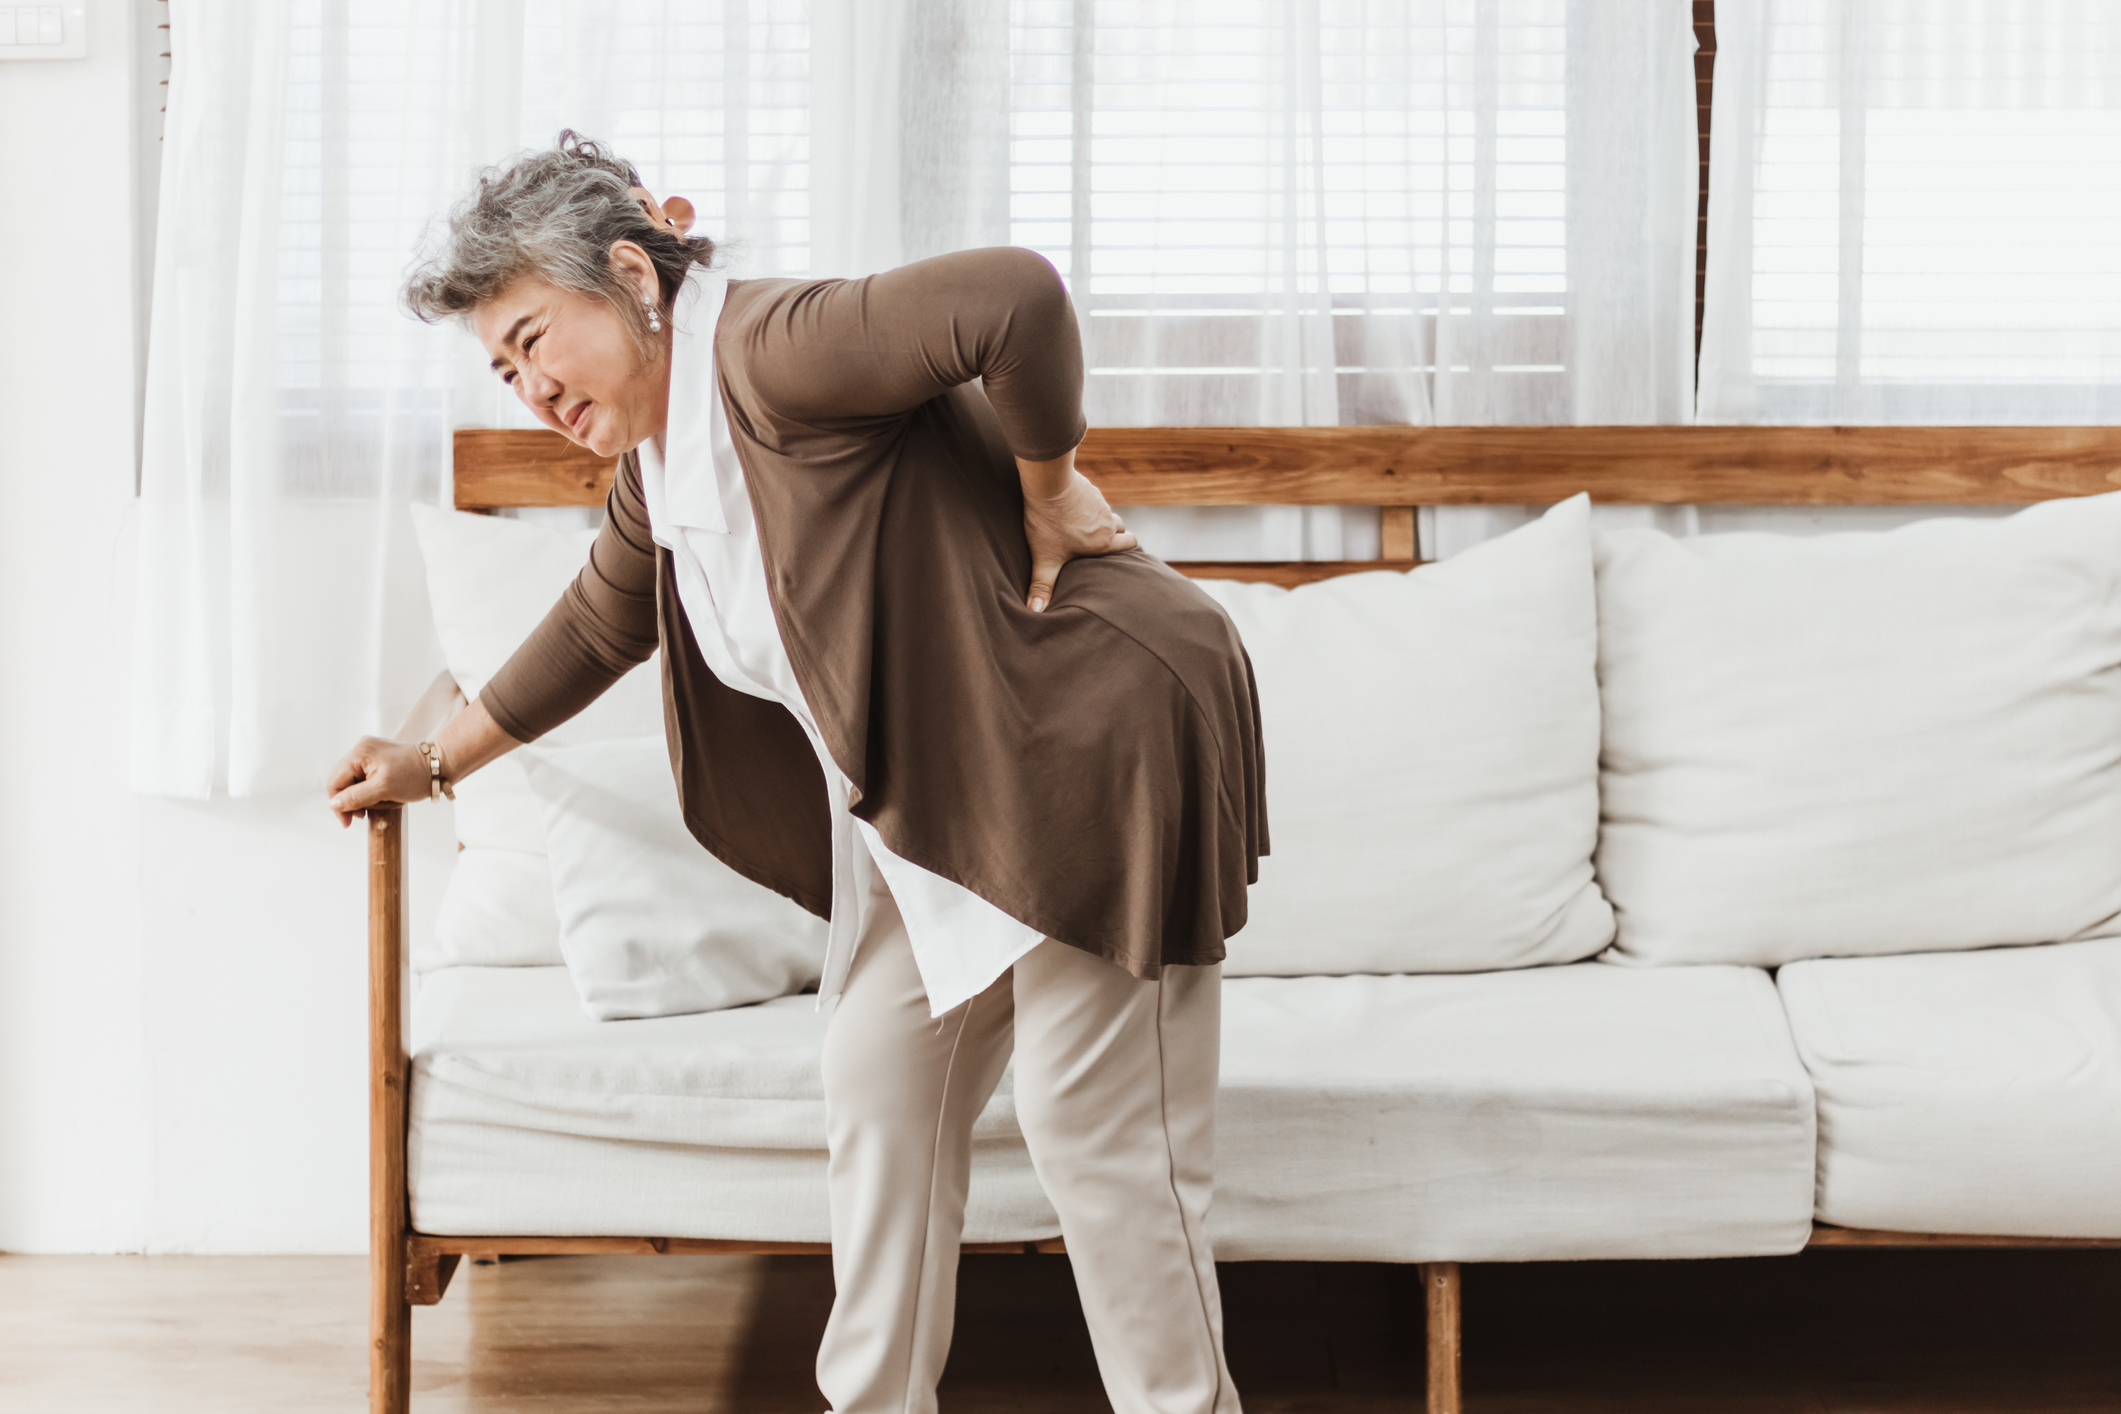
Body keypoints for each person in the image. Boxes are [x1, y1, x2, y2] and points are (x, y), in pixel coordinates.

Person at [327, 131, 1265, 1414]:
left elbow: (1017, 300)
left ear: (631, 276)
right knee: (879, 1084)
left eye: (536, 339)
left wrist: (1050, 496)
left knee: (1093, 1128)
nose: (526, 388)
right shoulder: (663, 463)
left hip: (1091, 747)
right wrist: (430, 761)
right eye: (503, 366)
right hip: (946, 804)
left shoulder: (771, 348)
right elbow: (599, 627)